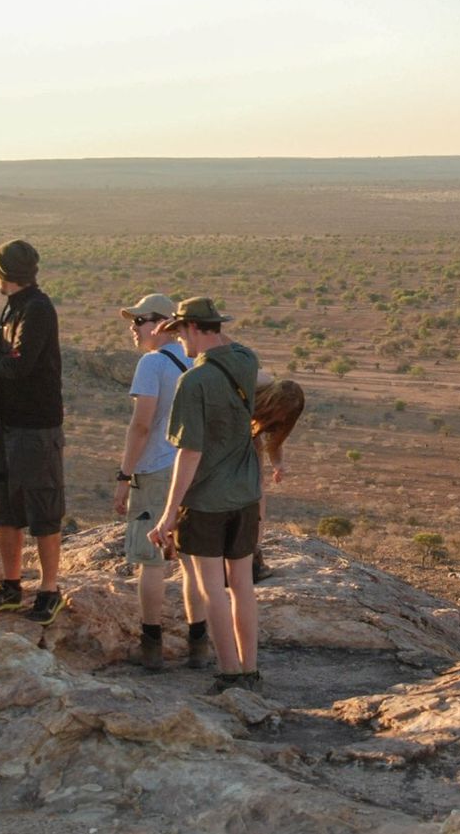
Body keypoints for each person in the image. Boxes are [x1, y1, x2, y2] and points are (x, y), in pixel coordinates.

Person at [148, 297, 265, 693]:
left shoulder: (193, 381)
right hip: (246, 494)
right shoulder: (246, 361)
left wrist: (168, 515)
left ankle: (230, 673)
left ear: (194, 329)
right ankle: (251, 671)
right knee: (243, 585)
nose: (179, 340)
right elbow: (226, 342)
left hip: (206, 501)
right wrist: (198, 324)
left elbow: (189, 452)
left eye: (182, 332)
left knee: (212, 589)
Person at [0, 240, 67, 626]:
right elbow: (1, 358)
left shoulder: (38, 309)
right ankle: (12, 587)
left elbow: (19, 365)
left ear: (2, 274)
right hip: (10, 424)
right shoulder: (13, 308)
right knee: (4, 508)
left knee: (43, 509)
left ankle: (49, 590)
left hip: (36, 426)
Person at [111, 293, 208, 670]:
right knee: (193, 560)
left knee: (151, 562)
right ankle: (198, 644)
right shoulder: (198, 360)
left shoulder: (153, 364)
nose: (133, 329)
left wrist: (124, 476)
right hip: (196, 468)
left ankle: (151, 647)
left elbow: (141, 425)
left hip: (156, 470)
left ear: (161, 323)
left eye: (138, 321)